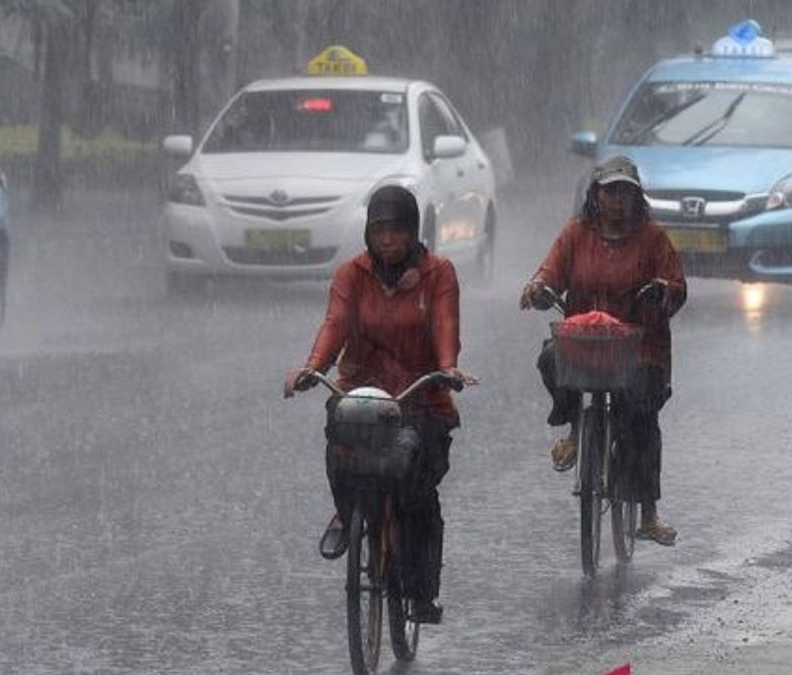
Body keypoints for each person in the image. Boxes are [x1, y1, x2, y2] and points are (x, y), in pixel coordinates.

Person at [284, 184, 475, 624]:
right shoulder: (351, 275)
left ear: (413, 232)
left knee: (417, 495)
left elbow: (446, 325)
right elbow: (334, 324)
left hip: (420, 397)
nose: (387, 239)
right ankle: (346, 513)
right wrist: (312, 368)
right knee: (340, 449)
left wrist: (449, 368)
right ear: (368, 234)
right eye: (379, 231)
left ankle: (422, 593)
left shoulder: (439, 273)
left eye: (396, 230)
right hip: (361, 393)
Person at [519, 156, 686, 545]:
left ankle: (647, 513)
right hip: (584, 344)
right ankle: (576, 431)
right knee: (549, 359)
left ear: (636, 198)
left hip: (640, 350)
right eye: (610, 192)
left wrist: (661, 291)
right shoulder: (575, 234)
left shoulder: (653, 238)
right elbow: (548, 276)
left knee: (640, 417)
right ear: (595, 195)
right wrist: (537, 289)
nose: (617, 200)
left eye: (625, 192)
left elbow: (676, 287)